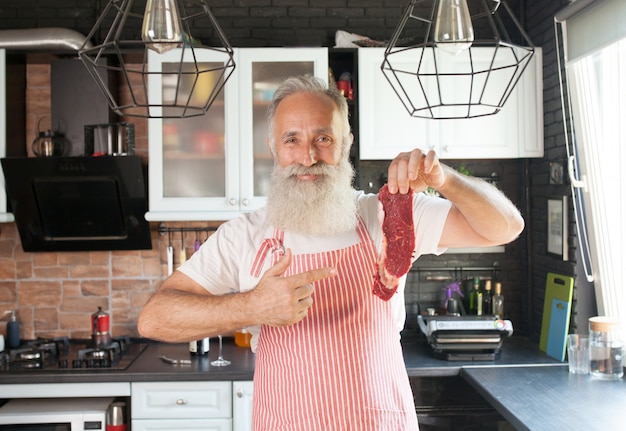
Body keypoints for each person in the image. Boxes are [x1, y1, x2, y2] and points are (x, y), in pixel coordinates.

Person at [138, 75, 524, 430]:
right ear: (273, 147)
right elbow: (154, 320)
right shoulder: (245, 235)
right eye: (292, 140)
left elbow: (506, 226)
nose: (307, 157)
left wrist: (445, 179)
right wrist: (252, 307)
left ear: (346, 144)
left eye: (323, 138)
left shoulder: (385, 216)